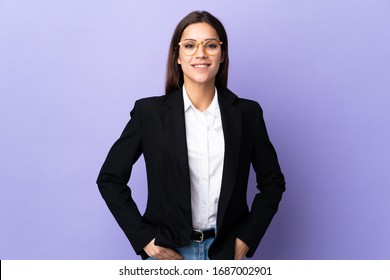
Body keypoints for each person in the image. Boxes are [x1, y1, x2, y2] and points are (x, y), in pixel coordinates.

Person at [97, 10, 285, 260]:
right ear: (177, 56)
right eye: (189, 45)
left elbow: (272, 183)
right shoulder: (149, 113)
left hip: (225, 251)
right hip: (169, 253)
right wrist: (144, 239)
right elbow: (110, 178)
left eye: (211, 45)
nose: (201, 53)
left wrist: (246, 240)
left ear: (222, 54)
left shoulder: (247, 113)